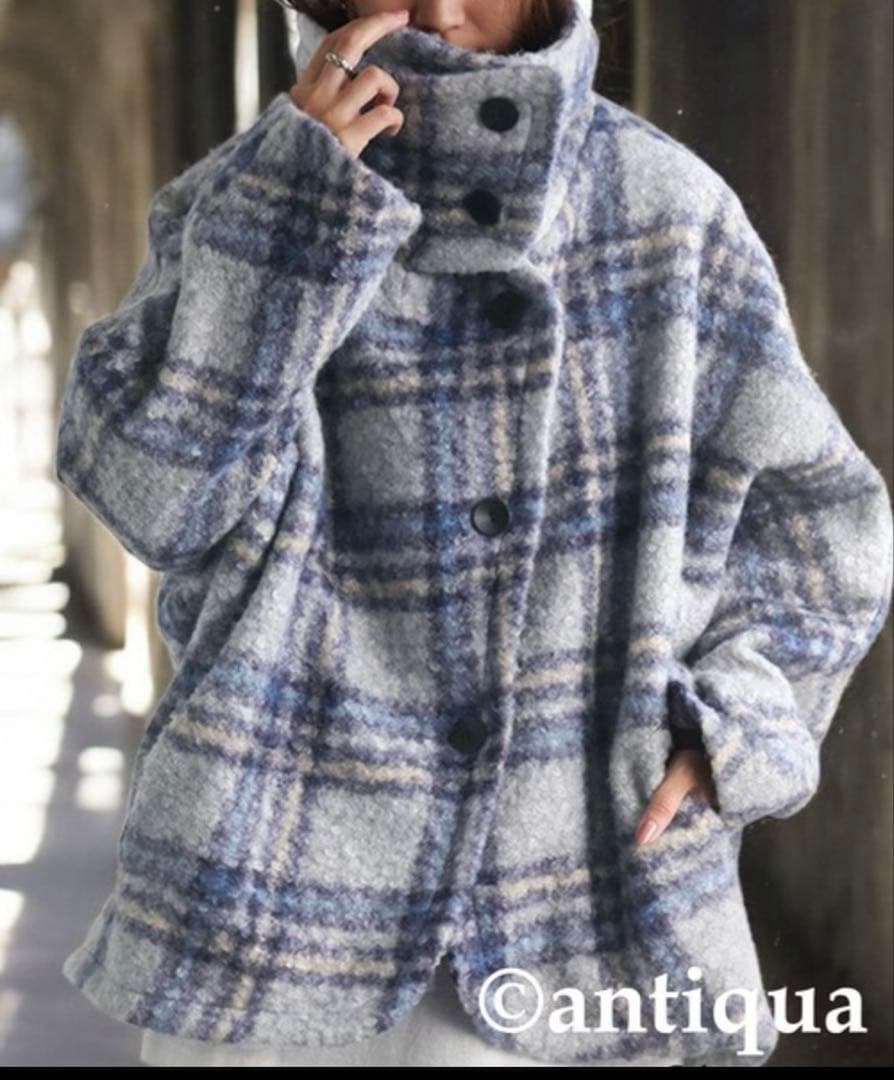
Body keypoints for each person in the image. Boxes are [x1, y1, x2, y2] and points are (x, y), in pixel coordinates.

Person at [56, 0, 894, 1069]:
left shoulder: (665, 210)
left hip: (581, 896)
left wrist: (731, 726)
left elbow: (821, 523)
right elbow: (152, 501)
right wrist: (288, 224)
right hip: (278, 894)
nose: (445, 12)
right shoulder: (238, 201)